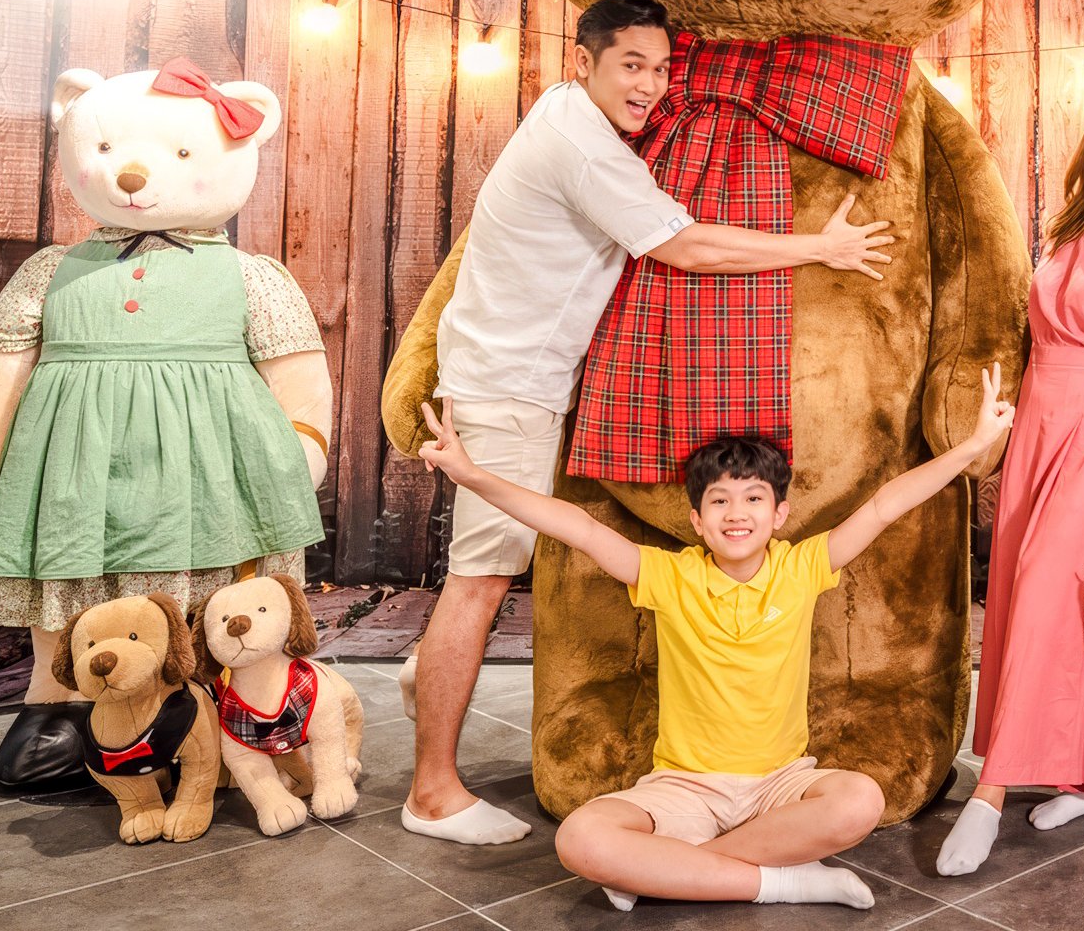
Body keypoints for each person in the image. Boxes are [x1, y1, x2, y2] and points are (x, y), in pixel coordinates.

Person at [400, 0, 895, 846]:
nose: (651, 85)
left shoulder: (570, 119)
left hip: (518, 377)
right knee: (478, 582)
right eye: (632, 64)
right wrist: (821, 247)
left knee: (487, 575)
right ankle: (432, 792)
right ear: (582, 61)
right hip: (507, 386)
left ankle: (429, 674)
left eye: (662, 69)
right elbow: (687, 246)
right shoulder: (582, 147)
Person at [412, 363, 1016, 909]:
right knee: (580, 839)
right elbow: (576, 527)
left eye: (754, 498)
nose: (737, 512)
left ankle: (670, 872)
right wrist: (472, 475)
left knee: (861, 800)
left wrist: (973, 446)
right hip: (684, 790)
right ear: (697, 521)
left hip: (781, 785)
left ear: (779, 514)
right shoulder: (669, 576)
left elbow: (885, 505)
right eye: (719, 500)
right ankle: (784, 881)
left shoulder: (803, 566)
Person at [936, 95, 1084, 877]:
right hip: (1037, 429)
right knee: (1026, 599)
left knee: (1049, 597)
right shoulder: (1065, 233)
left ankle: (990, 794)